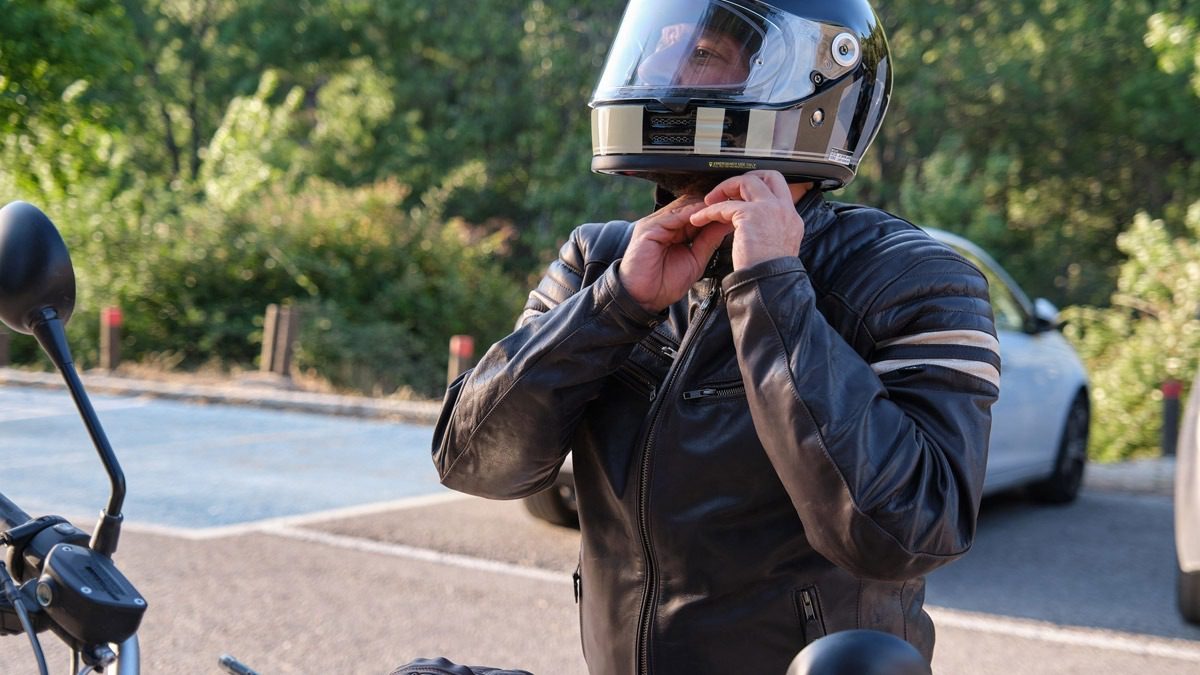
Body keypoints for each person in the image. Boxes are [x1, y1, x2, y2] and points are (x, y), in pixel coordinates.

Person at [432, 1, 999, 673]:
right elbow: (472, 460)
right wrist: (618, 304)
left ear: (808, 89)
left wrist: (772, 290)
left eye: (698, 55)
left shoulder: (914, 279)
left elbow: (905, 530)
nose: (663, 77)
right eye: (655, 50)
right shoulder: (598, 260)